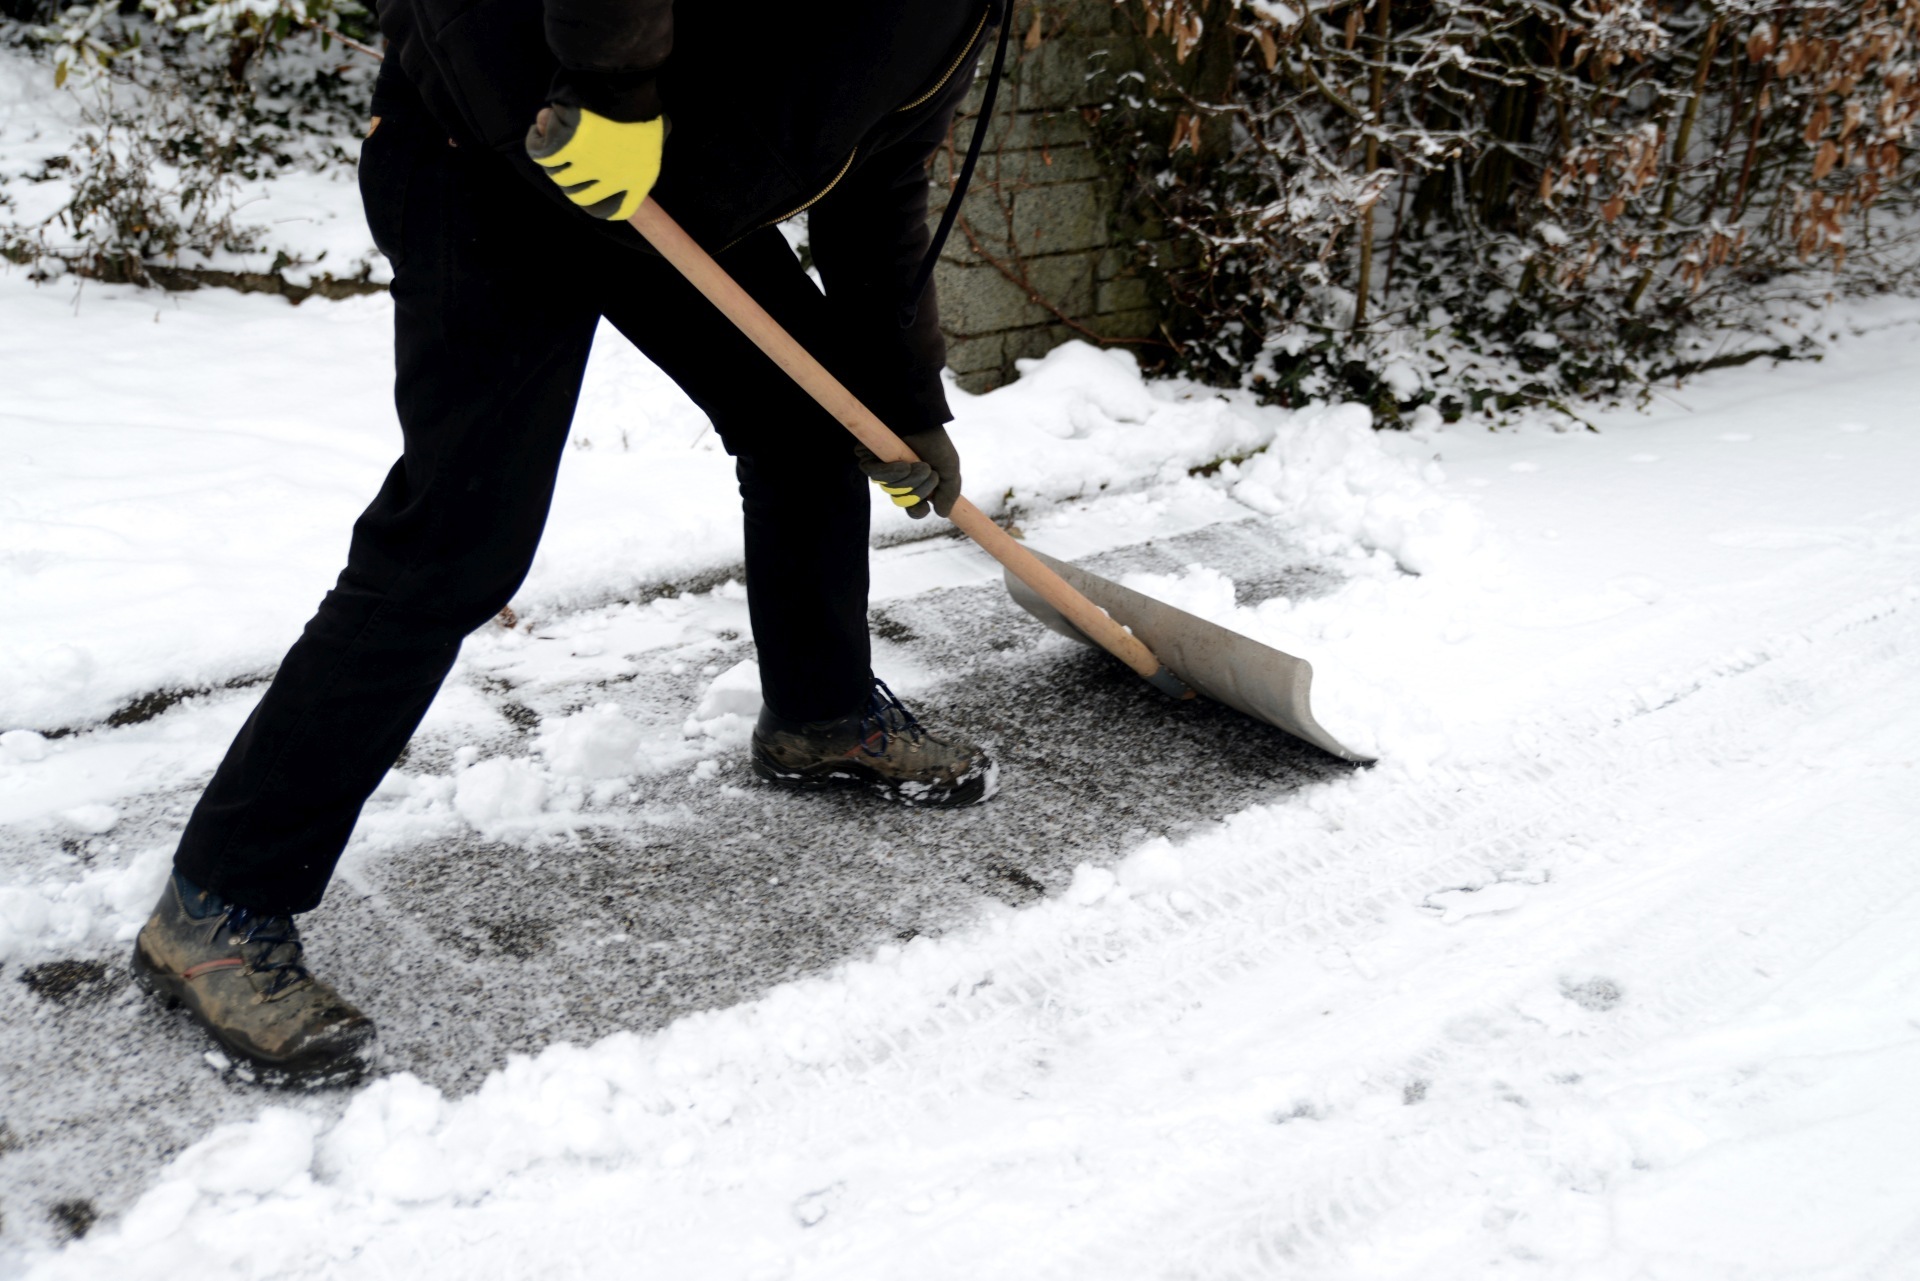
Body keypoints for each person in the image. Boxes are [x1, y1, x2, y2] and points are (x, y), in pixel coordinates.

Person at [132, 0, 1008, 1086]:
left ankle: (822, 716)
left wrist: (903, 400)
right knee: (459, 537)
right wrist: (614, 87)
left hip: (656, 194)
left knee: (805, 417)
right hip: (497, 142)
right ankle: (219, 903)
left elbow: (880, 178)